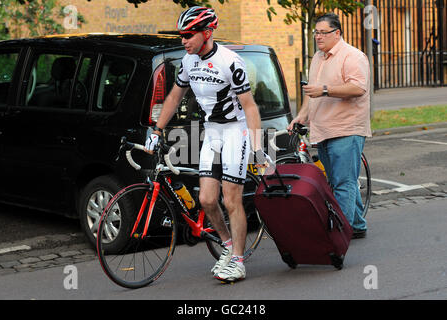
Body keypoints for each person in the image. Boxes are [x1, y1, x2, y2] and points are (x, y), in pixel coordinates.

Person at [145, 6, 271, 282]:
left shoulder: (231, 61)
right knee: (206, 199)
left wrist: (258, 148)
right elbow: (175, 97)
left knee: (231, 199)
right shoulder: (188, 62)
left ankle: (238, 261)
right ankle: (227, 245)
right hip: (212, 132)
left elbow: (250, 107)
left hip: (235, 132)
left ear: (207, 33)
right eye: (181, 35)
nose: (184, 41)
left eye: (189, 35)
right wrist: (156, 130)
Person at [288, 13, 372, 239]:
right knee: (339, 180)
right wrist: (302, 116)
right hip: (323, 130)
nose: (318, 37)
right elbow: (311, 92)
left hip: (346, 130)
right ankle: (356, 224)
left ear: (337, 33)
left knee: (343, 183)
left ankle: (339, 236)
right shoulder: (318, 57)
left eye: (323, 32)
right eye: (316, 32)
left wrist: (325, 89)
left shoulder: (353, 56)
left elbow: (358, 88)